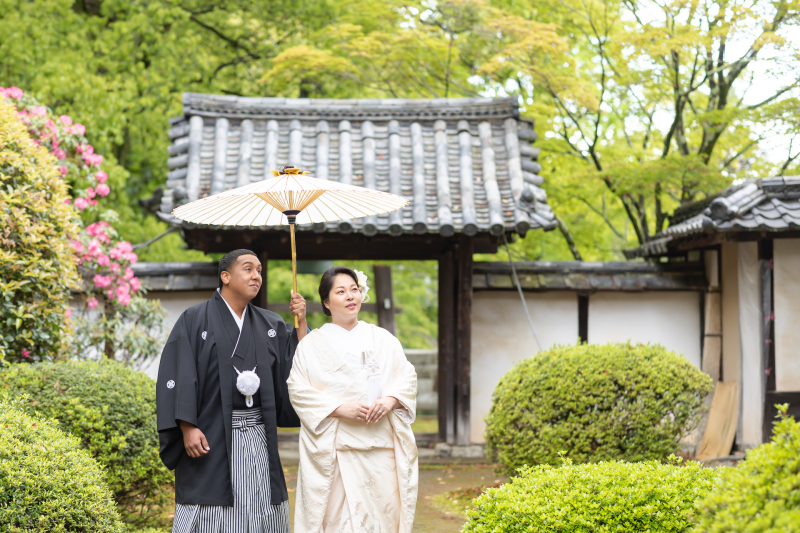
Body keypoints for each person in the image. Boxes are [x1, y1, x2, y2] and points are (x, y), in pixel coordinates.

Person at [156, 249, 307, 533]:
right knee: (212, 508)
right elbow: (179, 373)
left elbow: (297, 369)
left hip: (258, 435)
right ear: (225, 276)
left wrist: (300, 325)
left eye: (260, 270)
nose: (256, 276)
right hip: (211, 433)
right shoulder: (194, 319)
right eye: (248, 269)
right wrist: (187, 426)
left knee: (261, 502)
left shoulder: (271, 324)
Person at [288, 266, 418, 533]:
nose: (350, 296)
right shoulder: (311, 345)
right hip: (336, 449)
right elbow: (298, 389)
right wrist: (339, 408)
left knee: (381, 520)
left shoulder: (384, 339)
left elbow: (406, 376)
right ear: (326, 301)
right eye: (341, 291)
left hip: (380, 448)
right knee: (339, 523)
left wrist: (391, 399)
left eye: (354, 289)